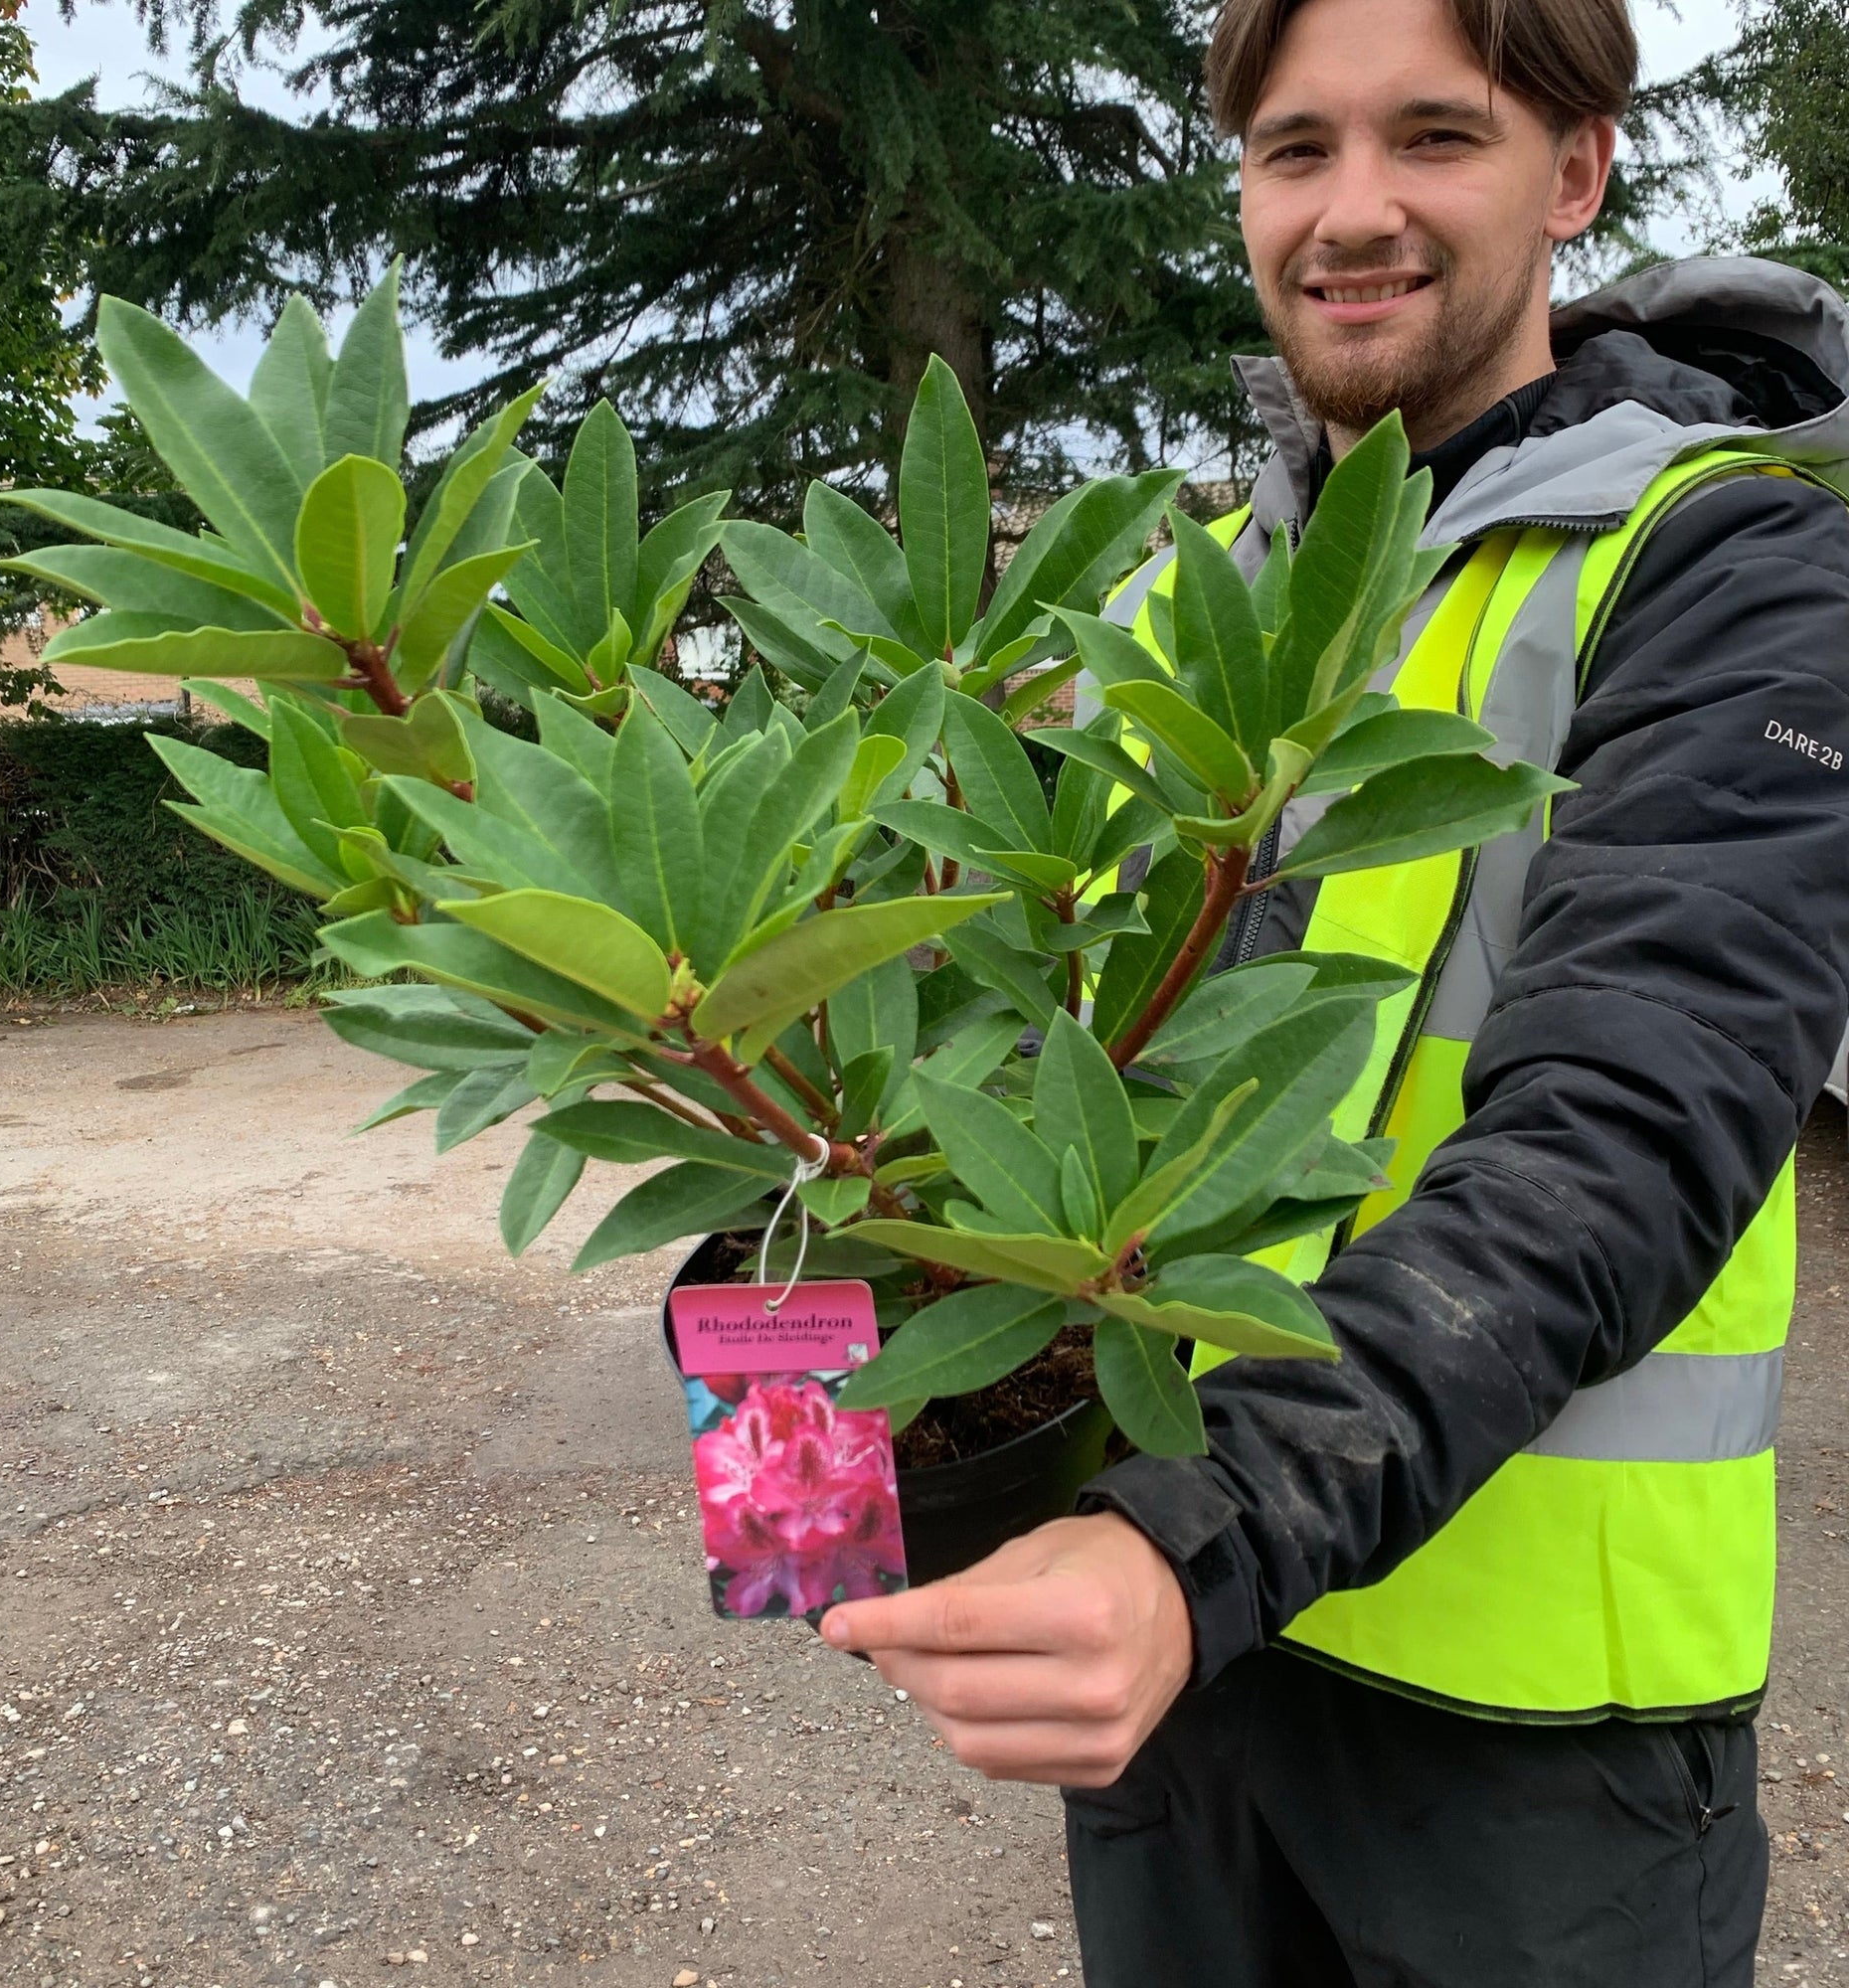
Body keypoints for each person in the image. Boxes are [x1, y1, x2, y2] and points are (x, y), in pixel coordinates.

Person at [819, 0, 1849, 1980]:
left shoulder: (1723, 569)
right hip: (1192, 1686)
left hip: (1539, 1748)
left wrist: (1183, 1543)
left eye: (1429, 139)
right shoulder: (1173, 601)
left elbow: (1622, 1135)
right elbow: (994, 1062)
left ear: (1572, 174)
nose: (1349, 210)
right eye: (1295, 149)